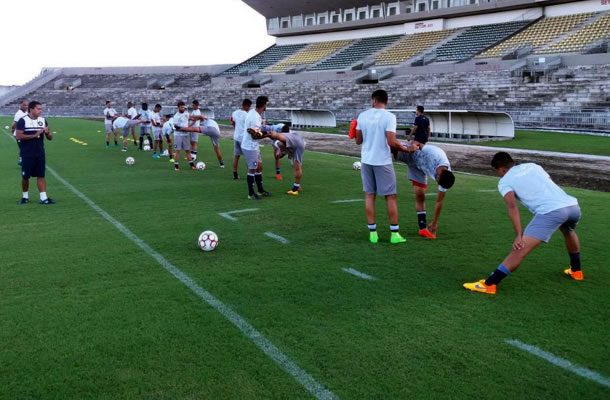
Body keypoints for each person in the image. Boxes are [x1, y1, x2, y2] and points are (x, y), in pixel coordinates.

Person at [464, 152, 583, 295]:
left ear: (501, 169)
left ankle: (489, 284)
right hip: (572, 206)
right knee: (568, 230)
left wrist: (519, 235)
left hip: (551, 211)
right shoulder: (533, 166)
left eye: (498, 172)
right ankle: (576, 271)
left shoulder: (505, 181)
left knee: (520, 248)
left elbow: (512, 207)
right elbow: (549, 181)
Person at [355, 89, 412, 244]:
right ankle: (394, 234)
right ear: (385, 101)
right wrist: (407, 149)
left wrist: (356, 130)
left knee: (369, 196)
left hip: (366, 160)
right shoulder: (390, 117)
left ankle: (373, 233)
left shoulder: (362, 116)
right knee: (390, 196)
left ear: (374, 100)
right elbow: (392, 142)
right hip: (383, 161)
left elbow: (358, 141)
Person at [394, 144, 455, 239]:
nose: (438, 184)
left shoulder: (446, 177)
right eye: (438, 182)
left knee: (420, 195)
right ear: (438, 175)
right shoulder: (434, 153)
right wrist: (409, 148)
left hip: (419, 169)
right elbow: (418, 144)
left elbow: (439, 202)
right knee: (391, 148)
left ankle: (422, 229)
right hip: (411, 154)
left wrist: (435, 222)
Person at [15, 101, 55, 205]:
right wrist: (35, 134)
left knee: (41, 175)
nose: (40, 111)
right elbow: (19, 136)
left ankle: (43, 198)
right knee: (25, 177)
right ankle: (25, 197)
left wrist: (47, 133)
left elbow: (50, 138)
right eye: (38, 109)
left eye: (41, 109)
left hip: (40, 153)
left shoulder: (42, 120)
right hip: (27, 154)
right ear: (31, 109)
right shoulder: (22, 121)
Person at [242, 96, 271, 200]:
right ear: (264, 105)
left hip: (254, 145)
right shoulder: (254, 118)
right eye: (266, 104)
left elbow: (256, 131)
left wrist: (264, 129)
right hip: (250, 146)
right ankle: (251, 193)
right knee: (252, 169)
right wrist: (267, 135)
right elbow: (254, 135)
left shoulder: (254, 113)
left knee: (259, 167)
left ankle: (260, 190)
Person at [266, 124, 305, 195]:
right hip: (298, 142)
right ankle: (298, 186)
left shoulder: (279, 140)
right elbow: (280, 152)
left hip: (297, 146)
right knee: (295, 166)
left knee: (297, 167)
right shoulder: (289, 134)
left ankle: (295, 189)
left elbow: (280, 147)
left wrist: (289, 154)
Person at [231, 99, 252, 179]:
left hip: (236, 137)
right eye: (249, 106)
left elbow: (233, 123)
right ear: (246, 105)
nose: (249, 108)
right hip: (243, 138)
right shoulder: (247, 115)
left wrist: (237, 129)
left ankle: (235, 174)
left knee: (236, 156)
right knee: (248, 156)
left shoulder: (235, 113)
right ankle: (251, 174)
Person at [172, 101, 196, 171]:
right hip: (178, 135)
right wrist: (184, 129)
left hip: (185, 135)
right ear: (178, 107)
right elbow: (175, 127)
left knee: (187, 150)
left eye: (184, 107)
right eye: (181, 107)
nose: (183, 108)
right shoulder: (176, 116)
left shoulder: (186, 113)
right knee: (177, 151)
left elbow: (192, 118)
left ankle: (192, 165)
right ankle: (176, 166)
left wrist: (199, 118)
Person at [11, 100, 28, 166]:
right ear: (20, 105)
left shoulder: (26, 112)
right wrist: (12, 130)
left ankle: (22, 160)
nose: (26, 106)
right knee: (23, 148)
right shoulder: (18, 114)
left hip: (24, 133)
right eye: (24, 105)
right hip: (19, 134)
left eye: (27, 105)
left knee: (25, 148)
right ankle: (22, 160)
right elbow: (14, 124)